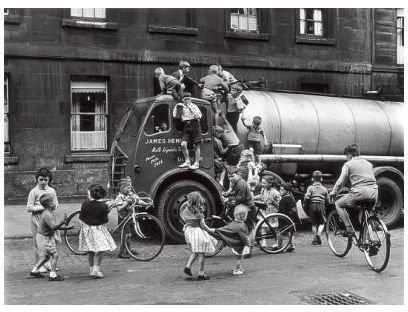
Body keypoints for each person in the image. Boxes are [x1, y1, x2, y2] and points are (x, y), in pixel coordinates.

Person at [329, 144, 378, 236]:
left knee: (338, 204)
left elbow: (340, 182)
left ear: (349, 156)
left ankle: (349, 229)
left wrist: (334, 192)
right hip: (374, 193)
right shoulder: (369, 164)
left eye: (346, 157)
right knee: (368, 214)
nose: (346, 159)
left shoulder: (348, 164)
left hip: (359, 193)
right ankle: (370, 239)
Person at [79, 184, 117, 279]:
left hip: (87, 229)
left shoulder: (85, 203)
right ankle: (96, 269)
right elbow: (105, 219)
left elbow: (81, 216)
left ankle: (91, 270)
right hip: (98, 230)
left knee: (91, 251)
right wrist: (108, 209)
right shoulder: (103, 206)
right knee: (100, 250)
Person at [27, 167, 59, 274]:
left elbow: (56, 203)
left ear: (49, 179)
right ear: (37, 179)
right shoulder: (34, 191)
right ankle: (39, 265)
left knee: (50, 241)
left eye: (46, 179)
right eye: (41, 179)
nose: (43, 182)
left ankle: (48, 263)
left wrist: (53, 206)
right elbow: (29, 207)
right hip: (37, 219)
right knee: (38, 243)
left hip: (49, 218)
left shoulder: (52, 191)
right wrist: (42, 208)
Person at [30, 193, 67, 281]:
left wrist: (67, 227)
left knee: (46, 257)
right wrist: (63, 221)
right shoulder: (47, 214)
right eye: (54, 202)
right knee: (55, 255)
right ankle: (53, 275)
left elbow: (54, 226)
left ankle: (35, 270)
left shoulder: (49, 213)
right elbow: (53, 226)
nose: (55, 204)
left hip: (46, 237)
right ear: (50, 204)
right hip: (44, 238)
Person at [181, 192, 217, 280]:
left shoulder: (185, 210)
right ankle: (201, 273)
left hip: (188, 231)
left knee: (195, 251)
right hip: (197, 233)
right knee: (201, 254)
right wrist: (210, 230)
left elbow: (183, 208)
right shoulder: (198, 213)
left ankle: (188, 267)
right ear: (198, 201)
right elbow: (203, 226)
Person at [223, 166, 257, 257]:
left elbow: (240, 198)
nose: (230, 178)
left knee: (250, 229)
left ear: (237, 174)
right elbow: (235, 192)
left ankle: (249, 251)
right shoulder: (236, 182)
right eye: (229, 176)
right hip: (243, 208)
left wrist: (228, 199)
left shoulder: (241, 183)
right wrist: (228, 194)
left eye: (232, 176)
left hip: (248, 208)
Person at [114, 177, 149, 258]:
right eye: (128, 187)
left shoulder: (131, 194)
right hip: (123, 219)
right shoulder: (120, 197)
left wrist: (146, 204)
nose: (130, 189)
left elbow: (138, 200)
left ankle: (128, 249)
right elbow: (119, 208)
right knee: (125, 236)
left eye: (130, 187)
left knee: (129, 235)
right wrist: (127, 202)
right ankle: (121, 252)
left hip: (129, 218)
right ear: (122, 188)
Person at [212, 204, 250, 275]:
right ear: (243, 216)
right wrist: (248, 244)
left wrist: (214, 230)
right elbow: (244, 237)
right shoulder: (241, 226)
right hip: (240, 245)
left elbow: (226, 229)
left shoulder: (233, 223)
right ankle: (236, 269)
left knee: (238, 257)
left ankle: (240, 268)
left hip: (234, 245)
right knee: (240, 258)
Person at [173, 93, 203, 170]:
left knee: (196, 145)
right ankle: (187, 161)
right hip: (186, 125)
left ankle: (196, 163)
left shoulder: (194, 106)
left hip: (195, 124)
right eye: (185, 99)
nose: (187, 100)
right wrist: (179, 109)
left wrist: (190, 107)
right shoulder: (179, 106)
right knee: (183, 144)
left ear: (191, 99)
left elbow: (199, 116)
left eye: (188, 99)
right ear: (182, 99)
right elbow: (175, 116)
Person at [254, 176, 281, 248]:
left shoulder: (275, 192)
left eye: (264, 183)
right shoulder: (263, 190)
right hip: (265, 210)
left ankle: (276, 242)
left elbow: (279, 205)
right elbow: (261, 196)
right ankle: (264, 241)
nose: (263, 184)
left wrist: (273, 202)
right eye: (262, 183)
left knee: (274, 228)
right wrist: (254, 197)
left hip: (272, 212)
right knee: (263, 226)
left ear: (270, 183)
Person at [303, 171, 329, 245]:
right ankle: (319, 233)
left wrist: (305, 205)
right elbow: (328, 200)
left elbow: (306, 197)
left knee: (314, 224)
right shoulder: (324, 189)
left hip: (312, 205)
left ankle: (315, 239)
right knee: (322, 223)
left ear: (312, 179)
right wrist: (325, 206)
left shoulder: (310, 188)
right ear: (321, 179)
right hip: (321, 205)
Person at [278, 182, 298, 252]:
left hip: (283, 218)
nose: (280, 191)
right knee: (290, 232)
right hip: (290, 218)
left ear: (288, 191)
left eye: (282, 190)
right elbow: (294, 209)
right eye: (280, 190)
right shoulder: (291, 198)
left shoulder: (283, 200)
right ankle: (292, 245)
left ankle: (279, 246)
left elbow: (281, 210)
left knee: (280, 232)